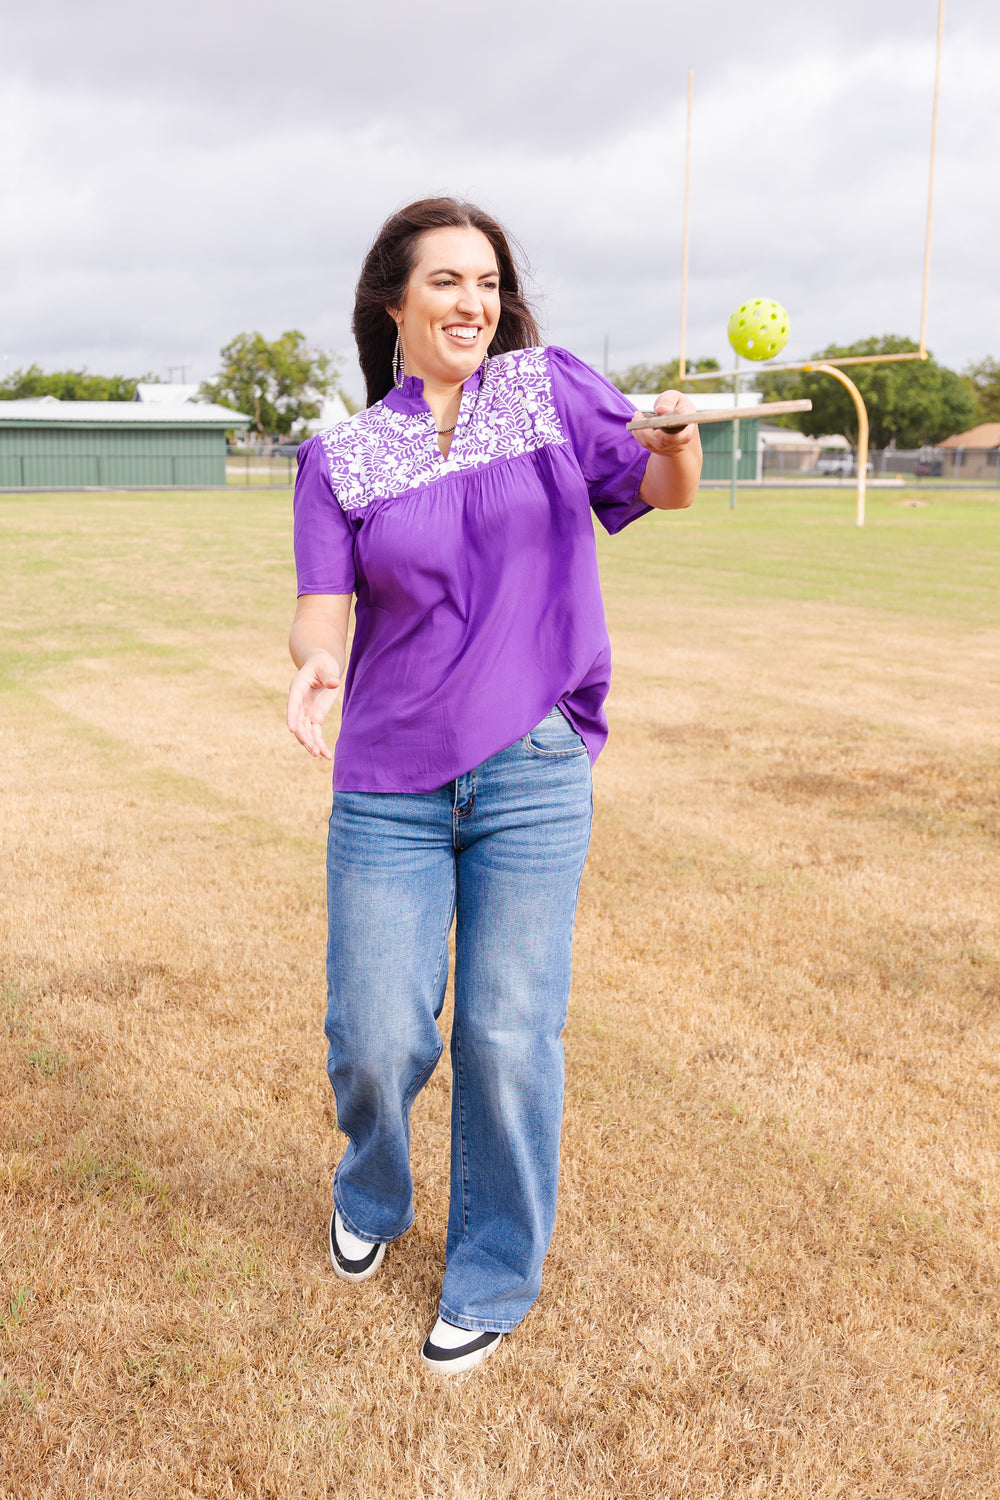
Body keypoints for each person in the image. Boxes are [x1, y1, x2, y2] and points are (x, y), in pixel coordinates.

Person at [286, 197, 701, 1375]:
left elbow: (662, 491)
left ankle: (492, 1269)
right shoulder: (342, 456)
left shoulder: (550, 389)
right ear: (393, 302)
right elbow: (324, 607)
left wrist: (671, 440)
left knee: (510, 1036)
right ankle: (371, 1189)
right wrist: (316, 665)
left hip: (530, 768)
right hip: (387, 781)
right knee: (372, 1035)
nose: (472, 302)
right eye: (445, 282)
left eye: (486, 281)